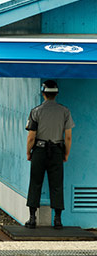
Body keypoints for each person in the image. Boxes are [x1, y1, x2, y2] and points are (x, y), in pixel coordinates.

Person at [25, 80, 74, 229]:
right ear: (56, 93)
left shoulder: (36, 111)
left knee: (35, 183)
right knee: (57, 184)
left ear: (43, 93)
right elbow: (68, 137)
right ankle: (58, 220)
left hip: (39, 150)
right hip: (57, 151)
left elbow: (31, 136)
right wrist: (65, 153)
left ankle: (32, 218)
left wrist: (28, 152)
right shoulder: (65, 111)